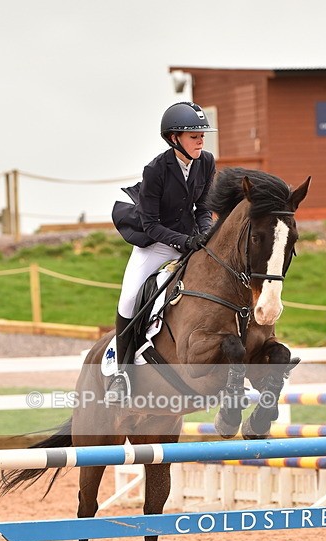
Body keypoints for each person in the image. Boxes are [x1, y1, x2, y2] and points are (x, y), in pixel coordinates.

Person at [107, 101, 217, 404]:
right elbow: (151, 225)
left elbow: (204, 207)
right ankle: (122, 374)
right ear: (174, 138)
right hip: (155, 243)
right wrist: (183, 242)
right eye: (194, 136)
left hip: (190, 239)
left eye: (202, 136)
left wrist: (204, 234)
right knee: (129, 299)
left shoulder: (206, 161)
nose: (201, 141)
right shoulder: (156, 169)